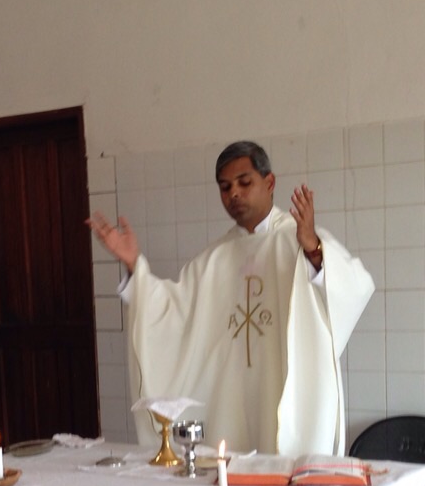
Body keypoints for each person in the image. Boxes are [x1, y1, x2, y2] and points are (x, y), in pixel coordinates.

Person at [88, 140, 375, 456]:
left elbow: (356, 287)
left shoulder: (299, 239)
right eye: (225, 187)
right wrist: (135, 265)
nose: (234, 193)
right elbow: (172, 311)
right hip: (230, 403)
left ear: (269, 183)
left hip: (288, 391)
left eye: (244, 182)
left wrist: (314, 251)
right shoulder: (214, 259)